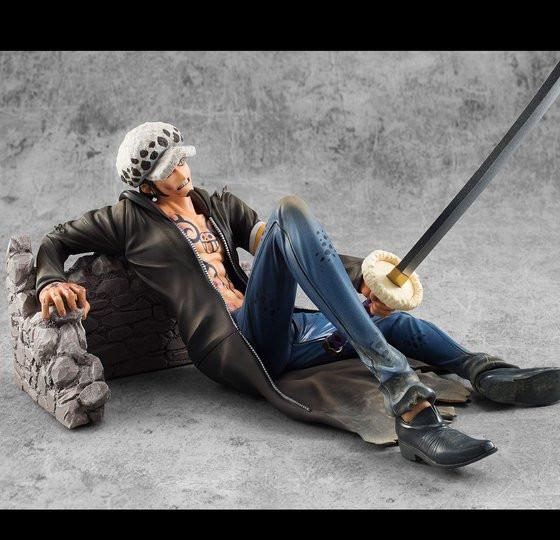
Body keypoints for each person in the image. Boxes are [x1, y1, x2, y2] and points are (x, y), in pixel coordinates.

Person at [36, 122, 560, 469]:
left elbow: (296, 249)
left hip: (278, 329)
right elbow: (56, 239)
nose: (183, 170)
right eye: (169, 168)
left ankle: (482, 371)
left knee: (389, 320)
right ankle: (406, 400)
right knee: (289, 210)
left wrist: (365, 275)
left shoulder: (219, 207)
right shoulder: (126, 220)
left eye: (182, 159)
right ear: (147, 184)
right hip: (229, 343)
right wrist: (50, 280)